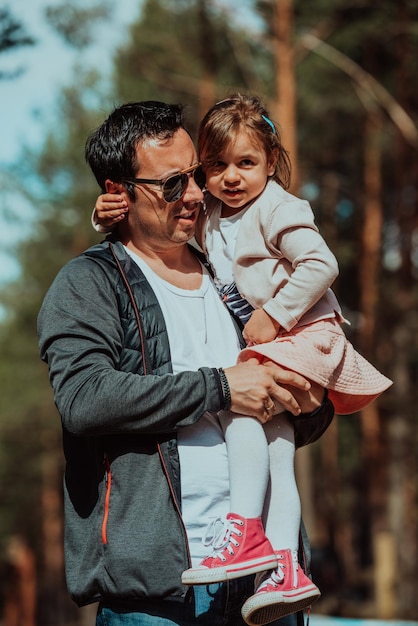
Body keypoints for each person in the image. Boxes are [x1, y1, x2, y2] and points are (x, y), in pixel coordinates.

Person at [92, 94, 392, 625]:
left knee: (240, 406)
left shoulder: (279, 207)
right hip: (160, 584)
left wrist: (274, 316)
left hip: (300, 333)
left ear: (271, 162)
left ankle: (248, 531)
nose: (227, 178)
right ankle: (284, 567)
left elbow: (322, 262)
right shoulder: (209, 212)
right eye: (216, 167)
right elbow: (153, 213)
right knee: (276, 448)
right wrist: (105, 216)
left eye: (246, 163)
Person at [38, 100, 335, 626]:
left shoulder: (234, 273)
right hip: (158, 599)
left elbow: (294, 405)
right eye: (173, 184)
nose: (197, 194)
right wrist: (221, 387)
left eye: (196, 175)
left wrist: (310, 401)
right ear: (117, 192)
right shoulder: (89, 284)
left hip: (264, 594)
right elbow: (84, 400)